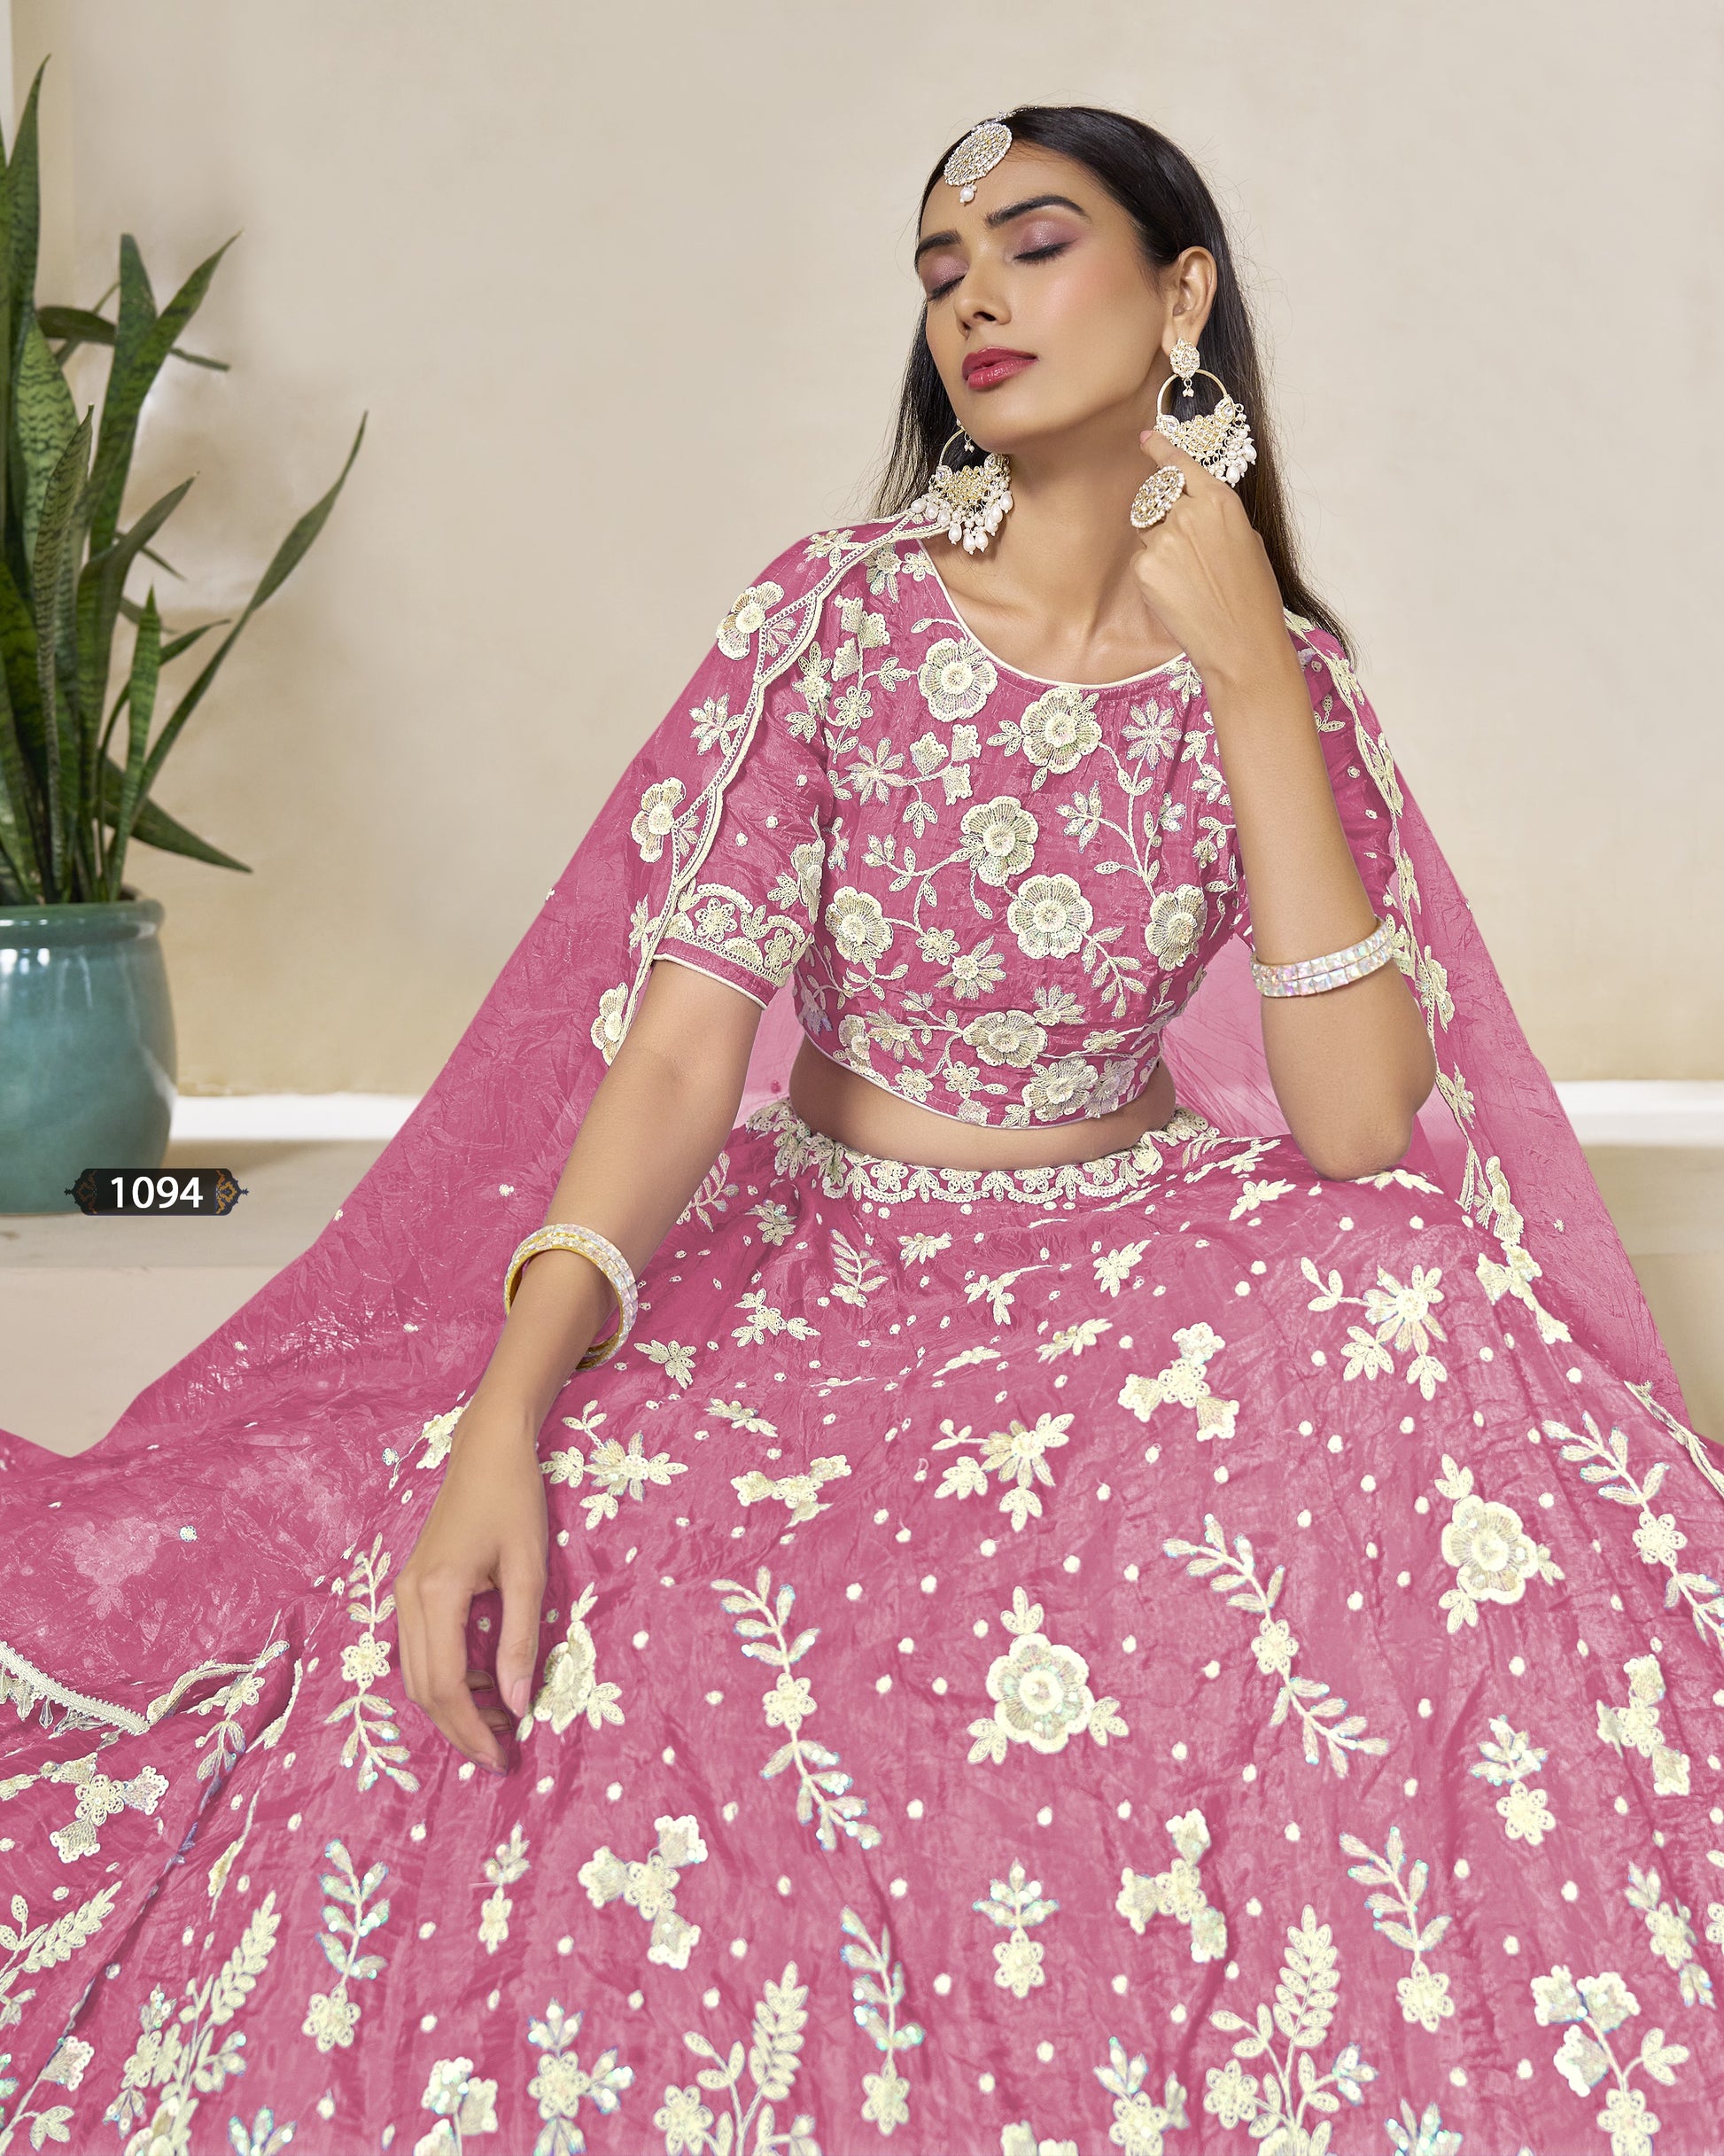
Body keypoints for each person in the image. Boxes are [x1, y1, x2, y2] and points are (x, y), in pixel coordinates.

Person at [0, 102, 1718, 2156]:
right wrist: (502, 1405)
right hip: (826, 1257)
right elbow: (670, 1061)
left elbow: (1356, 1125)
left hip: (1126, 1261)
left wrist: (1254, 669)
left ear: (1181, 291)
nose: (974, 293)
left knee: (1401, 1289)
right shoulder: (839, 615)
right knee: (605, 1551)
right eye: (938, 263)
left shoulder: (1282, 674)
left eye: (1034, 240)